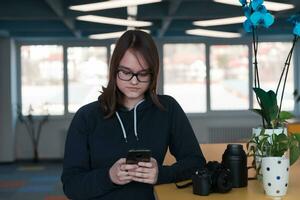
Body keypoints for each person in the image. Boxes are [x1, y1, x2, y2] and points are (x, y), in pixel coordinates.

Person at [61, 30, 206, 200]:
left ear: (153, 73)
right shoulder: (87, 116)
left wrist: (161, 174)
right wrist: (109, 177)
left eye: (143, 73)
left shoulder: (167, 108)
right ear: (114, 69)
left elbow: (196, 162)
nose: (134, 81)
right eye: (126, 72)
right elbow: (71, 186)